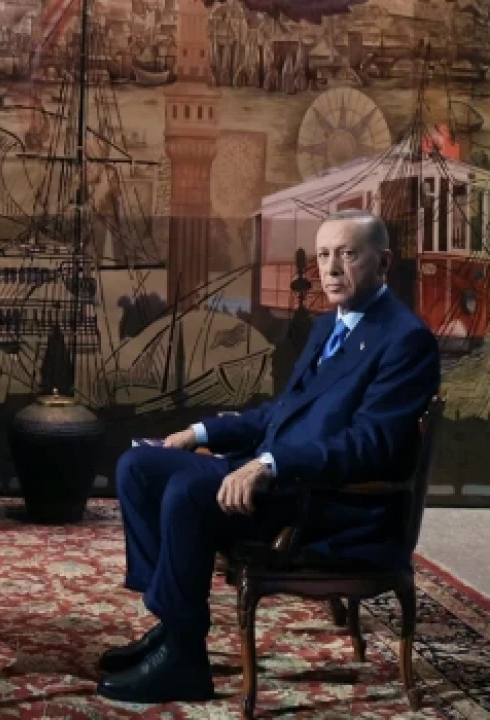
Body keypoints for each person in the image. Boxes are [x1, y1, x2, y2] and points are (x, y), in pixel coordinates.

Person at [100, 209, 440, 704]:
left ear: (383, 262)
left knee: (188, 491)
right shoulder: (328, 327)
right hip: (284, 479)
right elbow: (282, 412)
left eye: (348, 254)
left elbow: (369, 446)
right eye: (323, 255)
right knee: (139, 467)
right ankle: (174, 627)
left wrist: (270, 465)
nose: (331, 269)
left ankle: (183, 662)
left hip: (330, 502)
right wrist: (199, 432)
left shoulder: (406, 340)